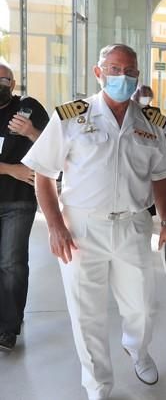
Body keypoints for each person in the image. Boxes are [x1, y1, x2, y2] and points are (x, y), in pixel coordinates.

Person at [22, 44, 166, 398]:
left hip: (133, 225)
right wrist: (56, 226)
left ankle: (137, 349)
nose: (122, 77)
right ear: (98, 72)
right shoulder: (70, 117)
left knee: (141, 306)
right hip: (81, 227)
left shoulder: (151, 124)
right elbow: (43, 175)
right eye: (114, 69)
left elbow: (159, 177)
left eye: (130, 71)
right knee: (86, 312)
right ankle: (97, 384)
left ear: (138, 75)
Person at [0, 64, 49, 351]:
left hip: (19, 201)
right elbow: (16, 168)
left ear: (14, 83)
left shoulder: (28, 108)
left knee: (11, 263)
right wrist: (11, 169)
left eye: (4, 79)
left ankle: (8, 327)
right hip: (14, 183)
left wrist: (32, 132)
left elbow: (54, 147)